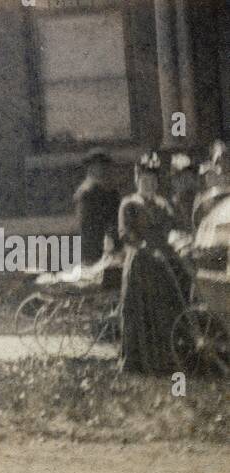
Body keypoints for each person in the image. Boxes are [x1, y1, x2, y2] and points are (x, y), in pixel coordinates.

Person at [117, 151, 186, 374]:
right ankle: (136, 364)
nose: (149, 185)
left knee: (161, 311)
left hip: (161, 266)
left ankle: (162, 361)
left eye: (153, 181)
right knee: (138, 311)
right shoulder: (130, 204)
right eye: (144, 181)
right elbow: (125, 234)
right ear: (137, 181)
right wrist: (145, 248)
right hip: (140, 264)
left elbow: (173, 228)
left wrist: (176, 240)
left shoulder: (162, 204)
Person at [74, 147, 120, 265]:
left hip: (110, 248)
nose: (102, 170)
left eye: (104, 166)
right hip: (94, 249)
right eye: (97, 166)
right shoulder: (87, 193)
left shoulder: (111, 192)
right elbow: (87, 225)